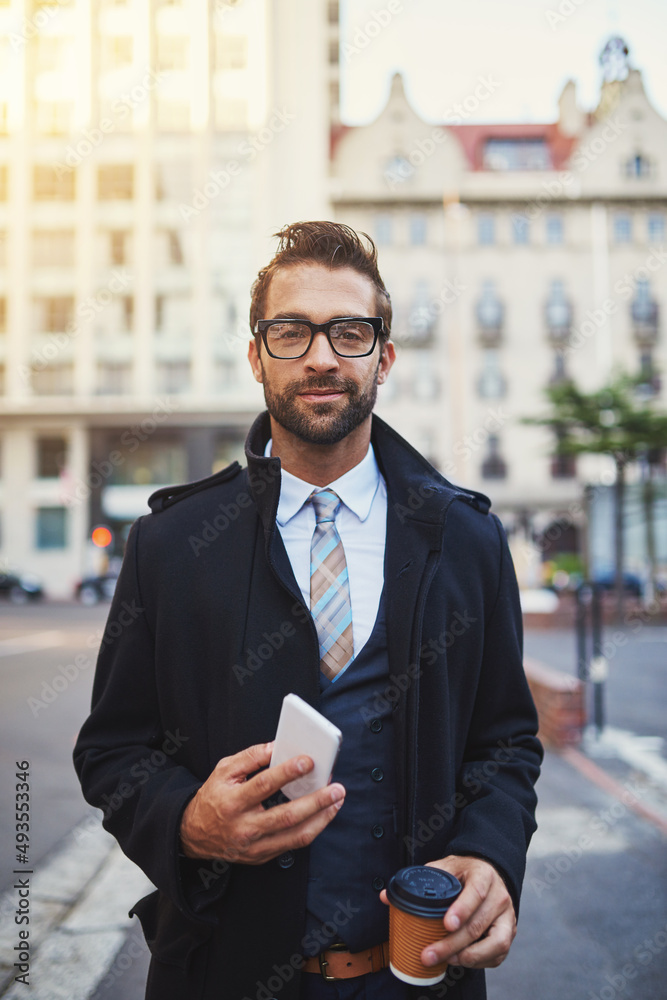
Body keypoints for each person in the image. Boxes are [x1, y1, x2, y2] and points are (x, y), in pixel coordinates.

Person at [74, 221, 542, 1000]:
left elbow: (507, 741)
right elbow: (113, 751)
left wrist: (492, 856)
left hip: (418, 973)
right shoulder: (170, 542)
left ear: (383, 357)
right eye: (291, 332)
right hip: (223, 974)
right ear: (256, 355)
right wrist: (188, 819)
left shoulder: (468, 540)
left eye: (349, 332)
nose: (321, 356)